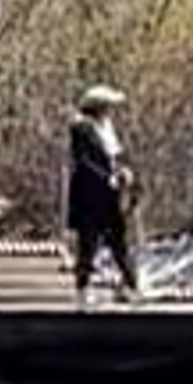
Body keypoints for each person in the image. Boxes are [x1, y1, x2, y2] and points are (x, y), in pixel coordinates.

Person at [64, 84, 140, 297]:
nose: (110, 111)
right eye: (107, 106)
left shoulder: (107, 128)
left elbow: (115, 156)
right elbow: (85, 162)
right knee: (87, 243)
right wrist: (107, 179)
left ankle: (132, 285)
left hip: (110, 196)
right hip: (89, 196)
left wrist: (124, 173)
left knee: (119, 241)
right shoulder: (82, 129)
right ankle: (82, 288)